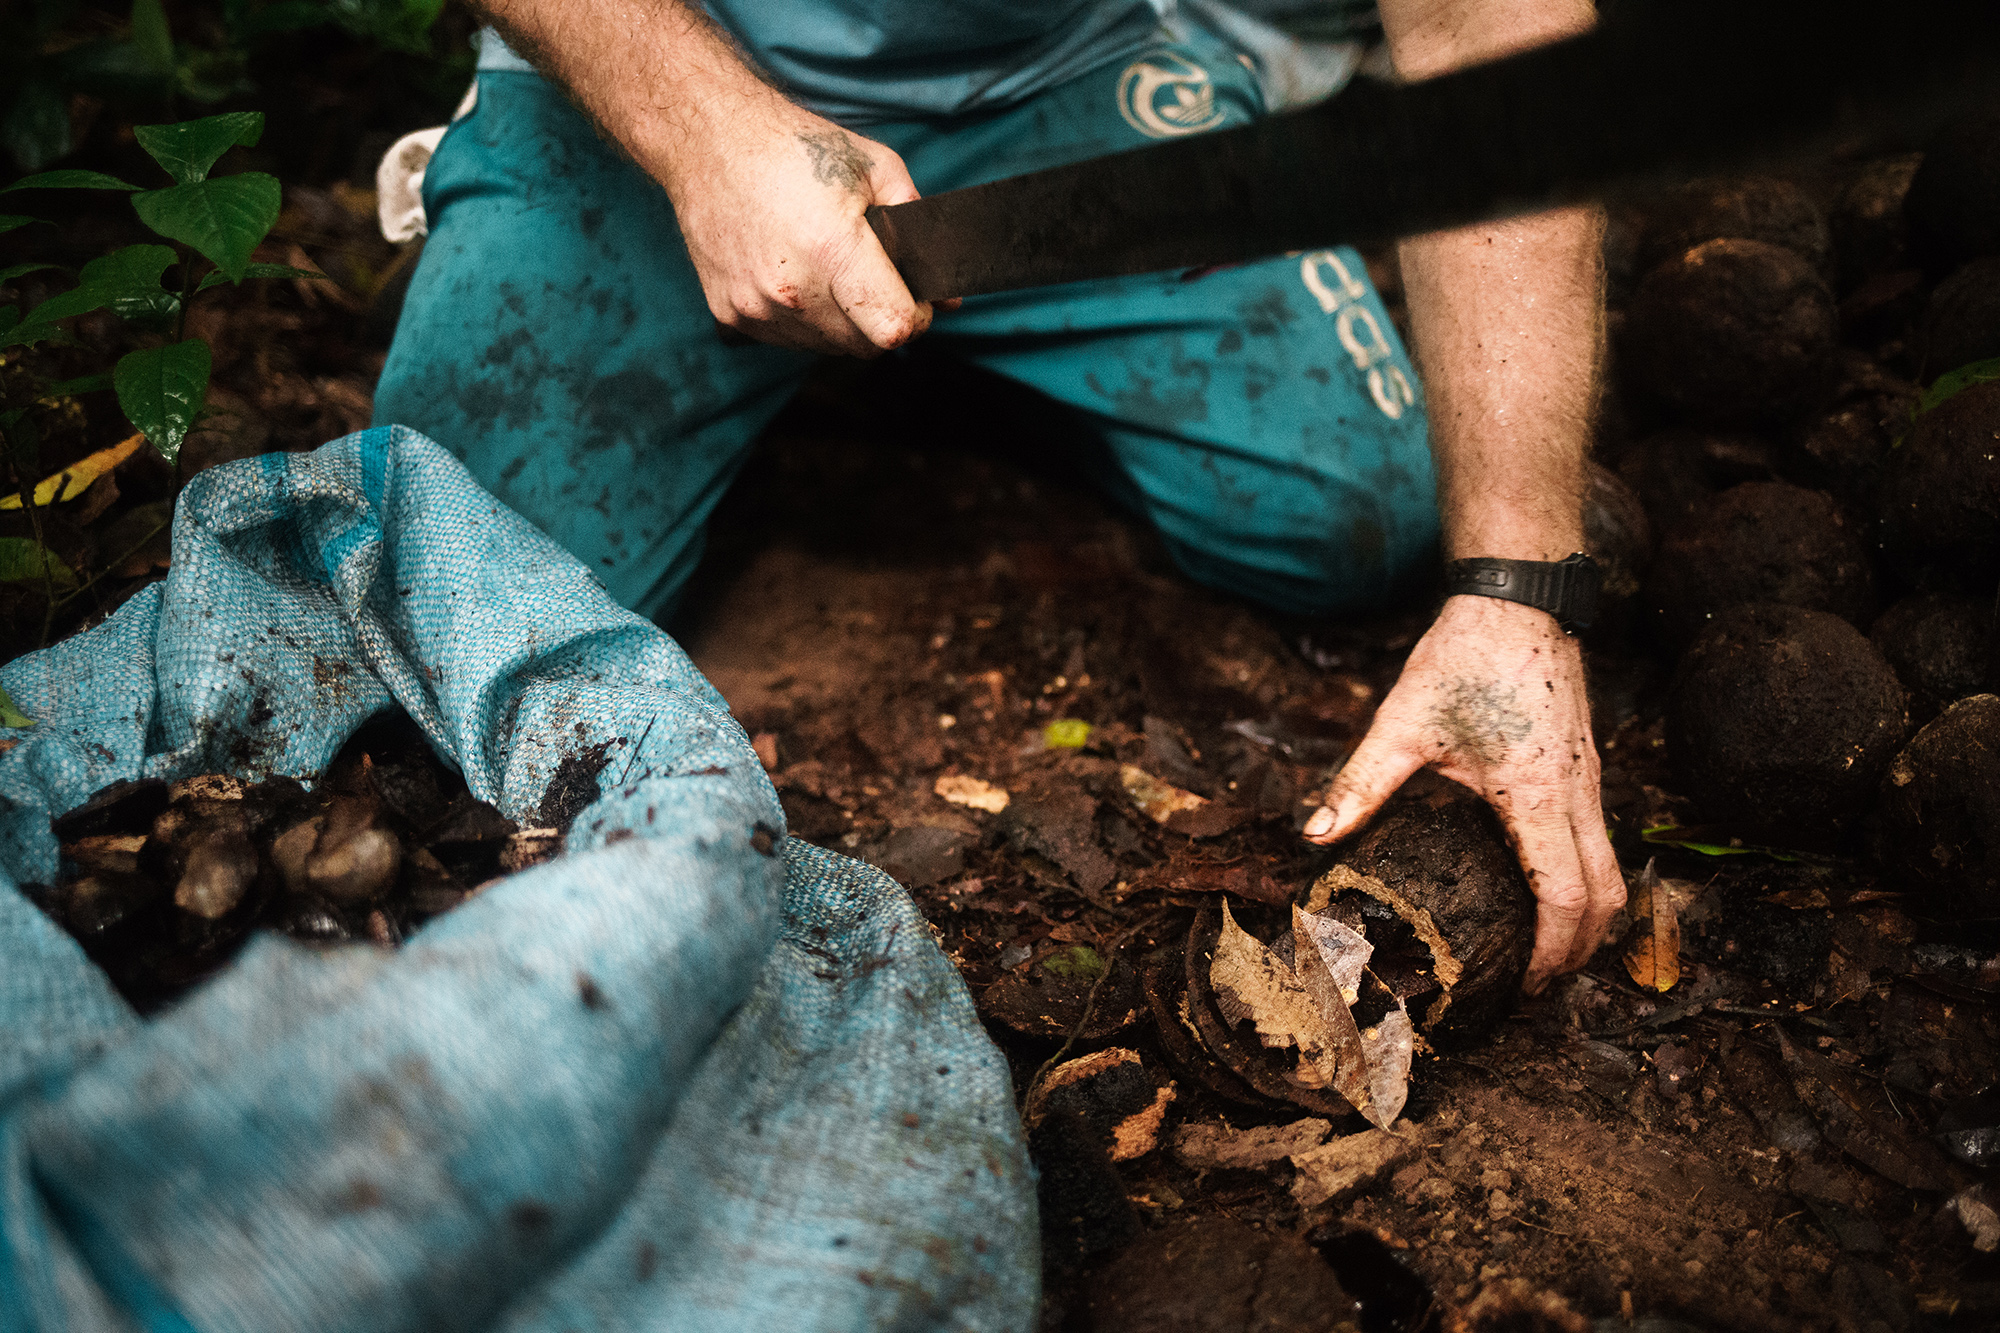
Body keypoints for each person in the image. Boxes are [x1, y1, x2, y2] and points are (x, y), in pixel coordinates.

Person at [372, 0, 1624, 994]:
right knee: (452, 608)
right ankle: (756, 304)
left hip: (1056, 81)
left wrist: (1514, 585)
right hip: (655, 69)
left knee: (1364, 517)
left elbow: (1489, 41)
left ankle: (937, 350)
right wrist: (702, 131)